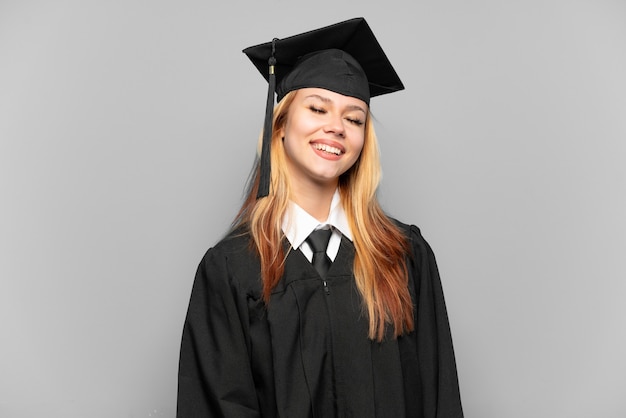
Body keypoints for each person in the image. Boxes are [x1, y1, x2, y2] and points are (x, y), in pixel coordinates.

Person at [177, 17, 464, 418]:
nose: (336, 127)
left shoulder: (404, 256)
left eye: (354, 118)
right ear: (280, 125)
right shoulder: (232, 270)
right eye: (317, 108)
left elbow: (439, 398)